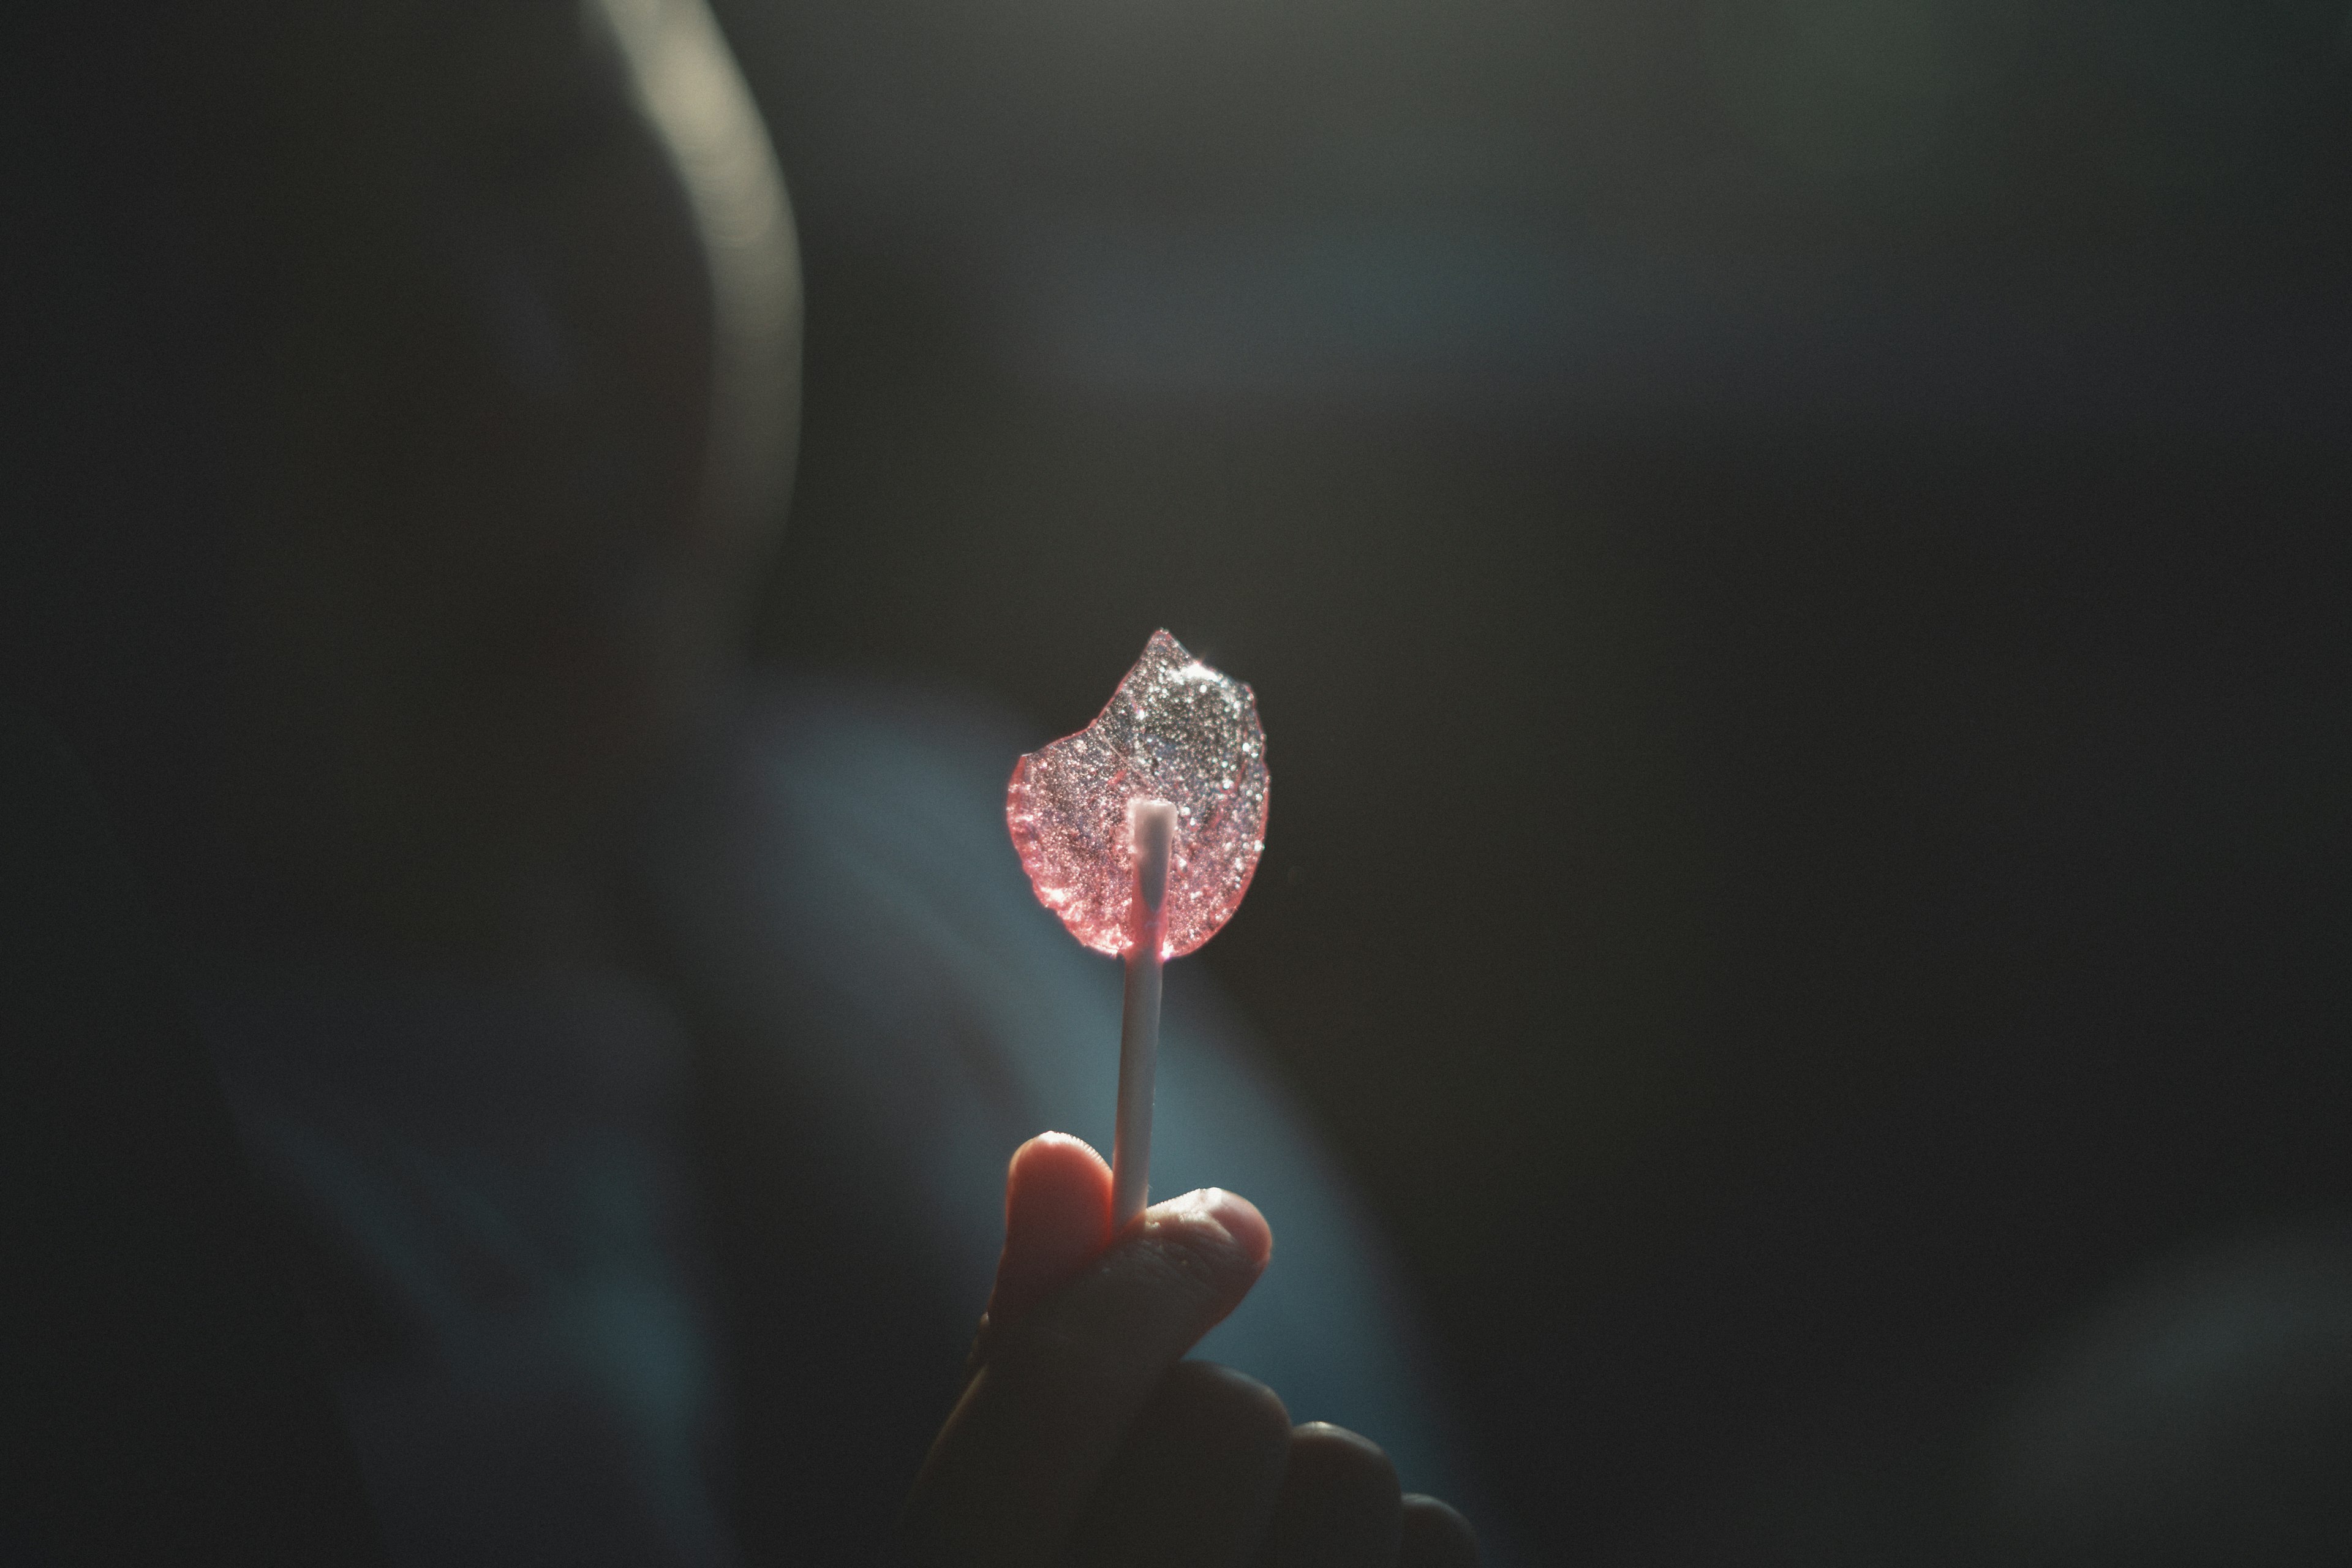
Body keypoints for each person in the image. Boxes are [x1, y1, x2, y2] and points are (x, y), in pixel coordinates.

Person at [1, 1, 1488, 1562]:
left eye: (545, 139)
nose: (510, 369)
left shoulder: (928, 859)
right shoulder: (167, 1313)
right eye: (244, 284)